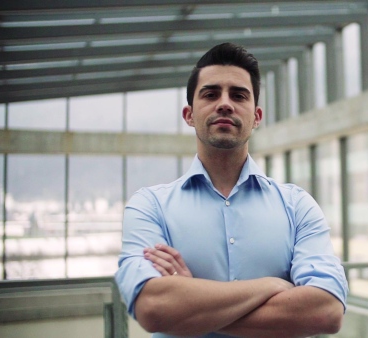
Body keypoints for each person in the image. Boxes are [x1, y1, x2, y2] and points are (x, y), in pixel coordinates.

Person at [115, 42, 348, 338]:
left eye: (238, 95)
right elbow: (152, 308)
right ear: (188, 114)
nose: (225, 103)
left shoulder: (298, 206)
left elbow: (325, 312)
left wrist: (190, 306)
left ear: (257, 117)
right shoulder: (150, 205)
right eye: (211, 94)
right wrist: (272, 285)